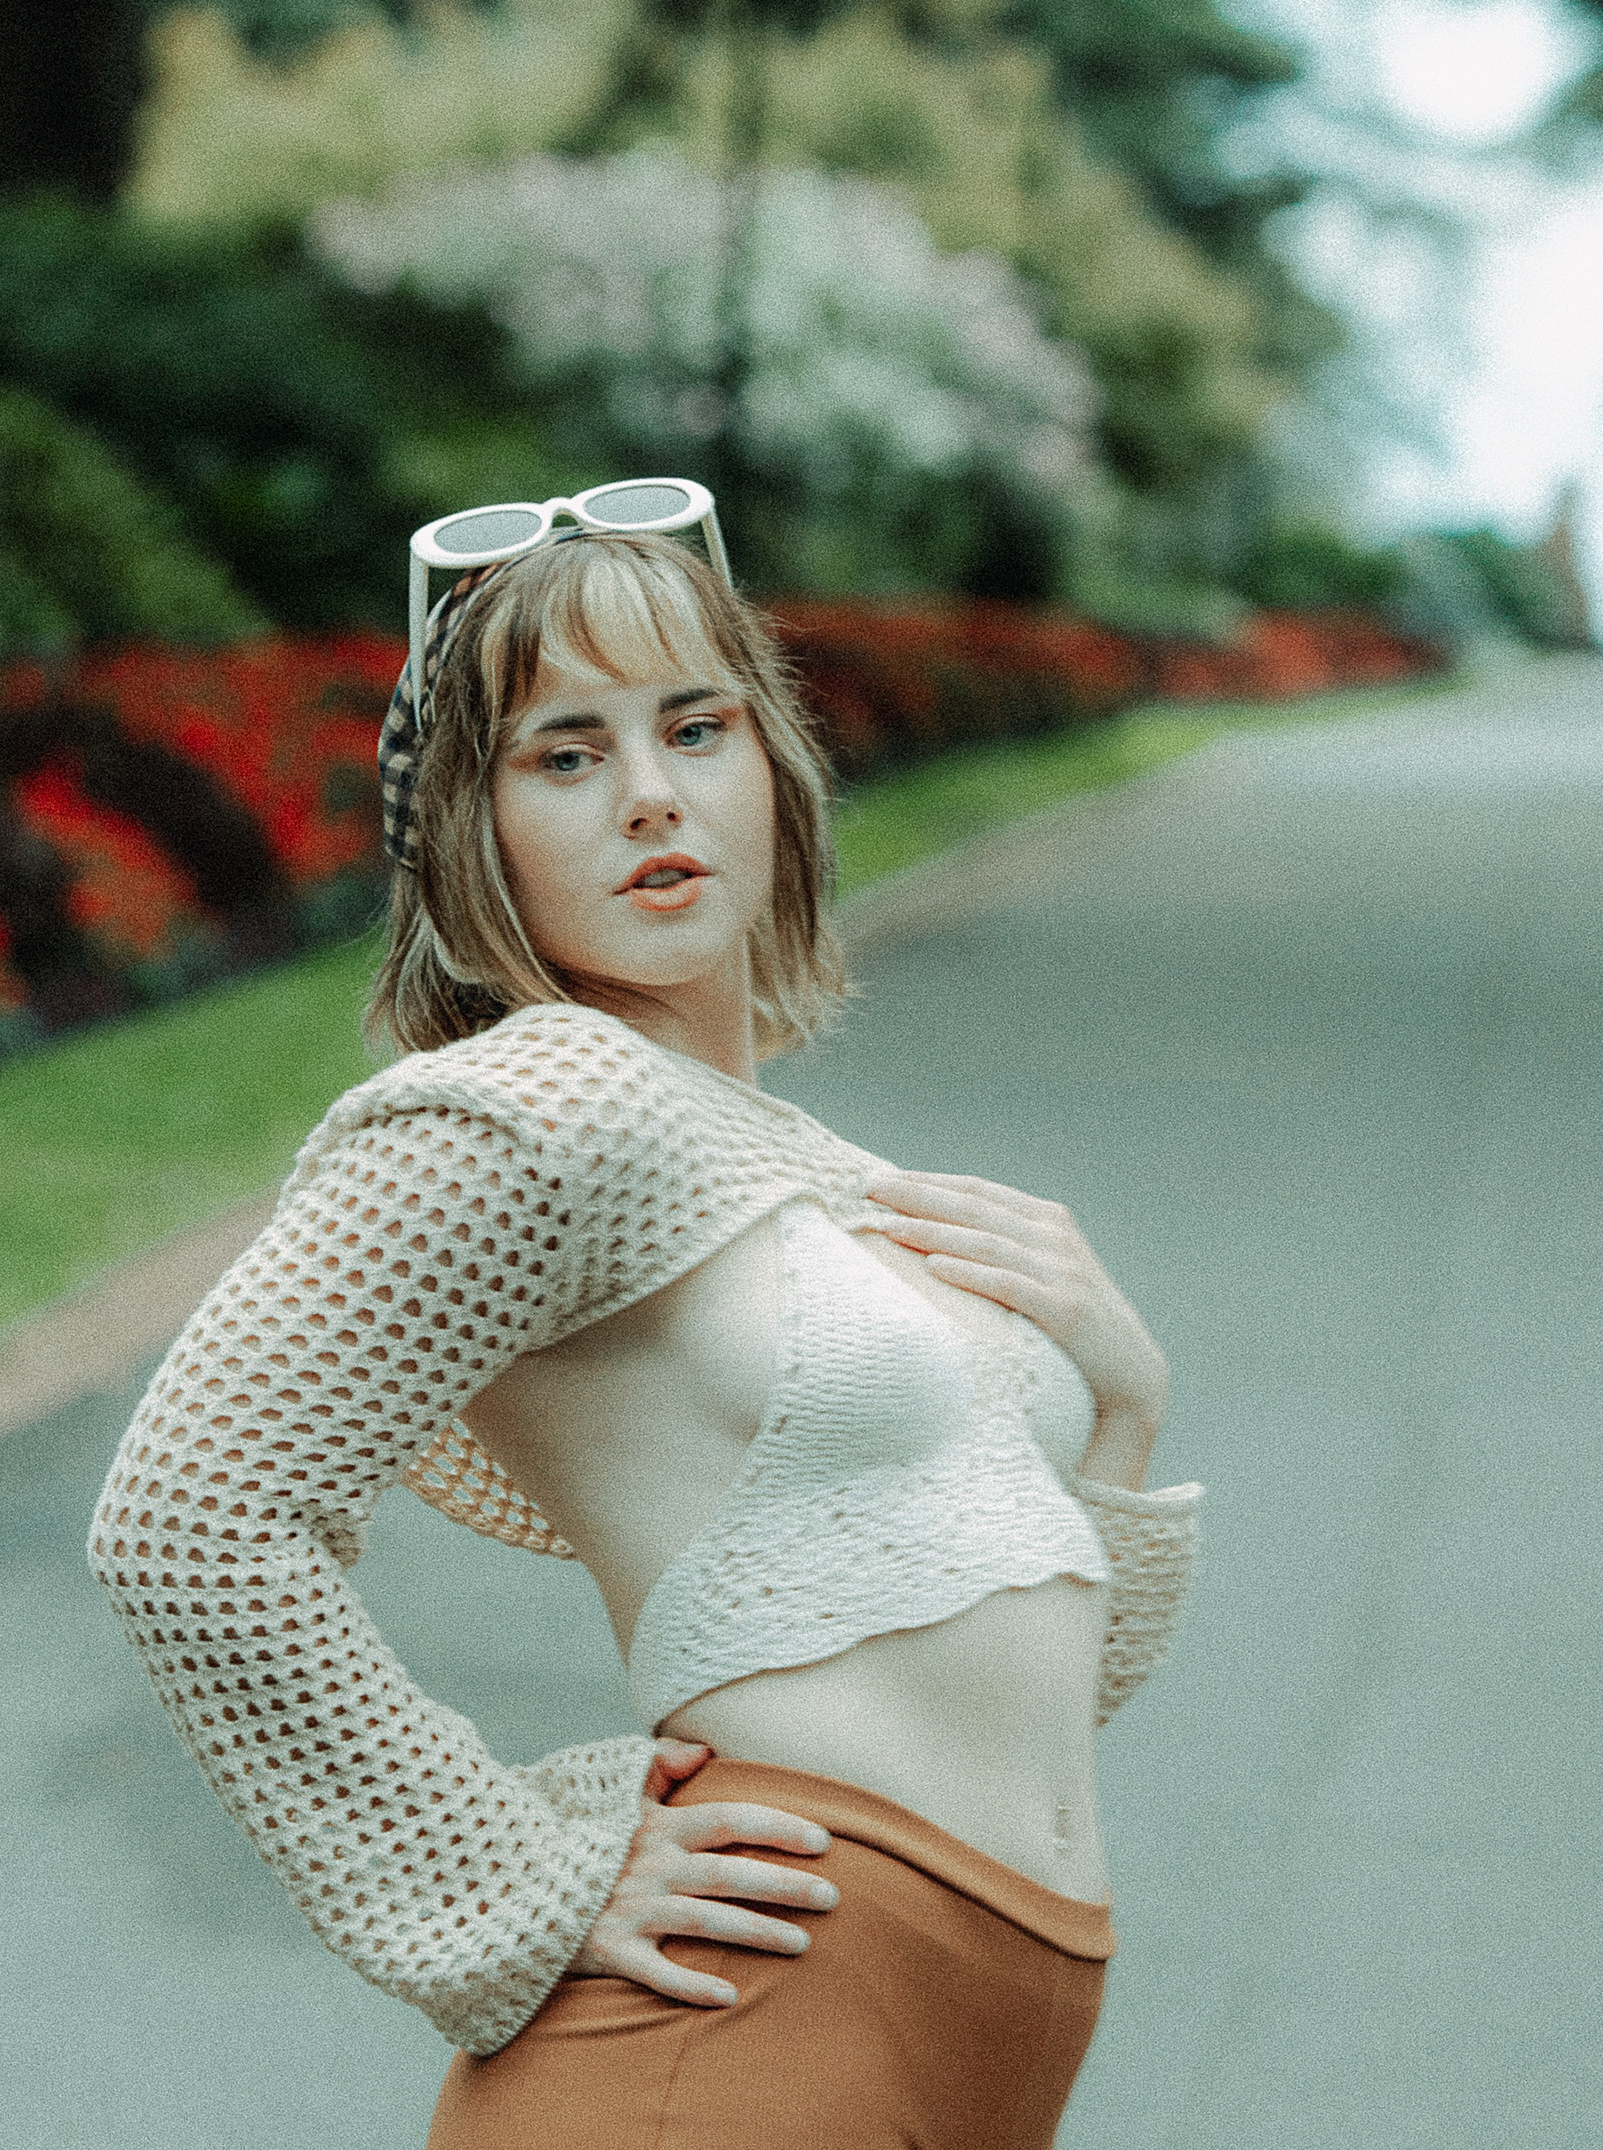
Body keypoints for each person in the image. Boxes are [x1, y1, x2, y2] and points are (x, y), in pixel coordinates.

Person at [88, 486, 1202, 2149]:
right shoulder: (545, 1103)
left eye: (696, 727)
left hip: (978, 2029)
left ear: (775, 766)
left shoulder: (811, 1167)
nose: (653, 795)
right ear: (470, 826)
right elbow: (187, 1520)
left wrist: (1121, 1407)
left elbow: (1002, 1684)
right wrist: (506, 1871)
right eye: (565, 754)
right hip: (740, 2037)